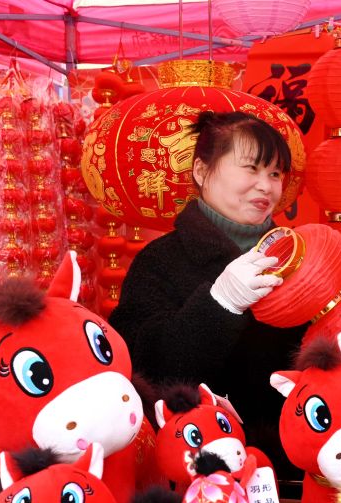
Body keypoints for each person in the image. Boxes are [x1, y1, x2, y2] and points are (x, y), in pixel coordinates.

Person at [110, 111, 307, 480]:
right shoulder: (159, 261)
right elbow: (145, 371)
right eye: (251, 168)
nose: (266, 186)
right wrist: (219, 304)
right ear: (201, 171)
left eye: (275, 173)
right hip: (196, 470)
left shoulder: (297, 256)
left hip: (290, 466)